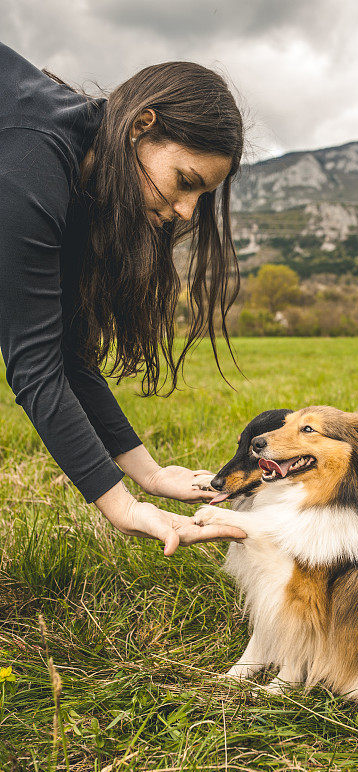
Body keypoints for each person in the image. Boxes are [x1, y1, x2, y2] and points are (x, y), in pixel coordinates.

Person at [0, 41, 247, 555]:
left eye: (201, 197)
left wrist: (149, 475)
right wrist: (121, 505)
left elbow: (67, 349)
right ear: (141, 126)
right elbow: (34, 363)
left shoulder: (82, 169)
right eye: (185, 182)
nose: (186, 211)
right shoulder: (33, 160)